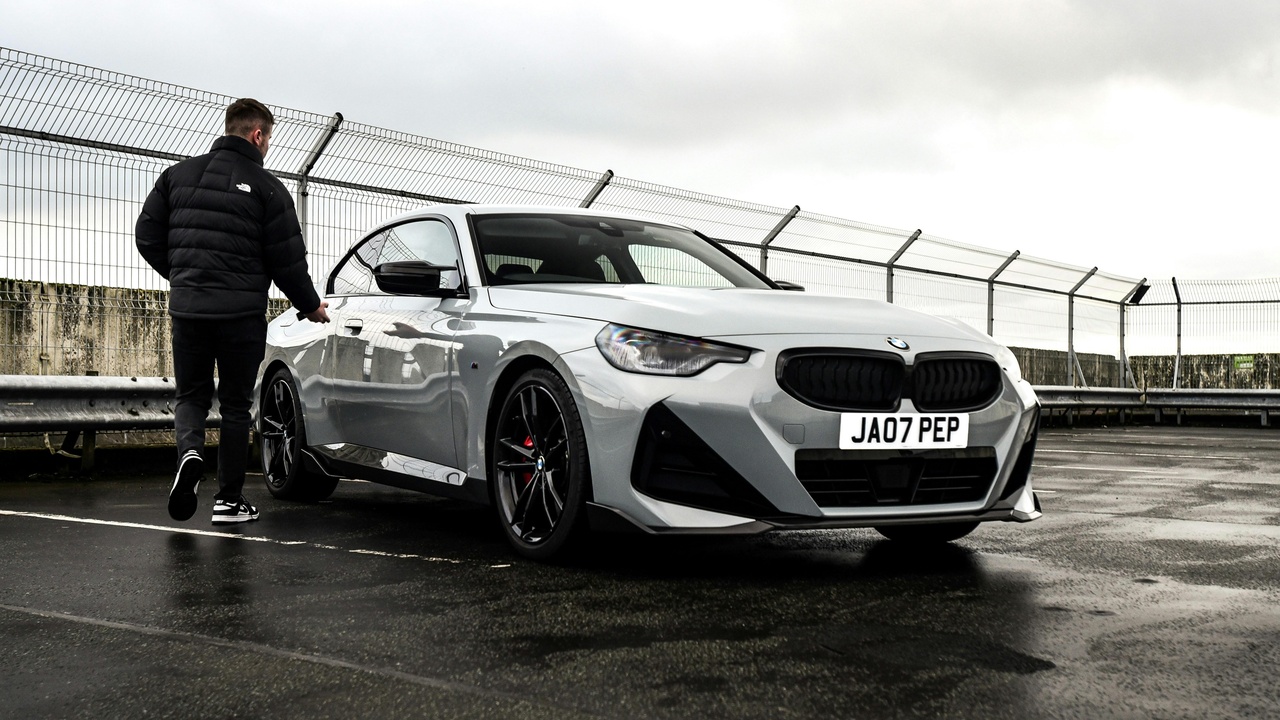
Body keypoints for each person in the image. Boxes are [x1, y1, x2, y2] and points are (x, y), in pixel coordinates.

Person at [136, 98, 330, 525]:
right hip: (241, 315)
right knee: (237, 406)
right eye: (268, 140)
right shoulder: (269, 189)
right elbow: (287, 261)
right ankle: (228, 501)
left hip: (189, 309)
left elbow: (146, 235)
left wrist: (186, 274)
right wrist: (310, 305)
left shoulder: (177, 176)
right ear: (257, 135)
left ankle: (190, 453)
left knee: (190, 395)